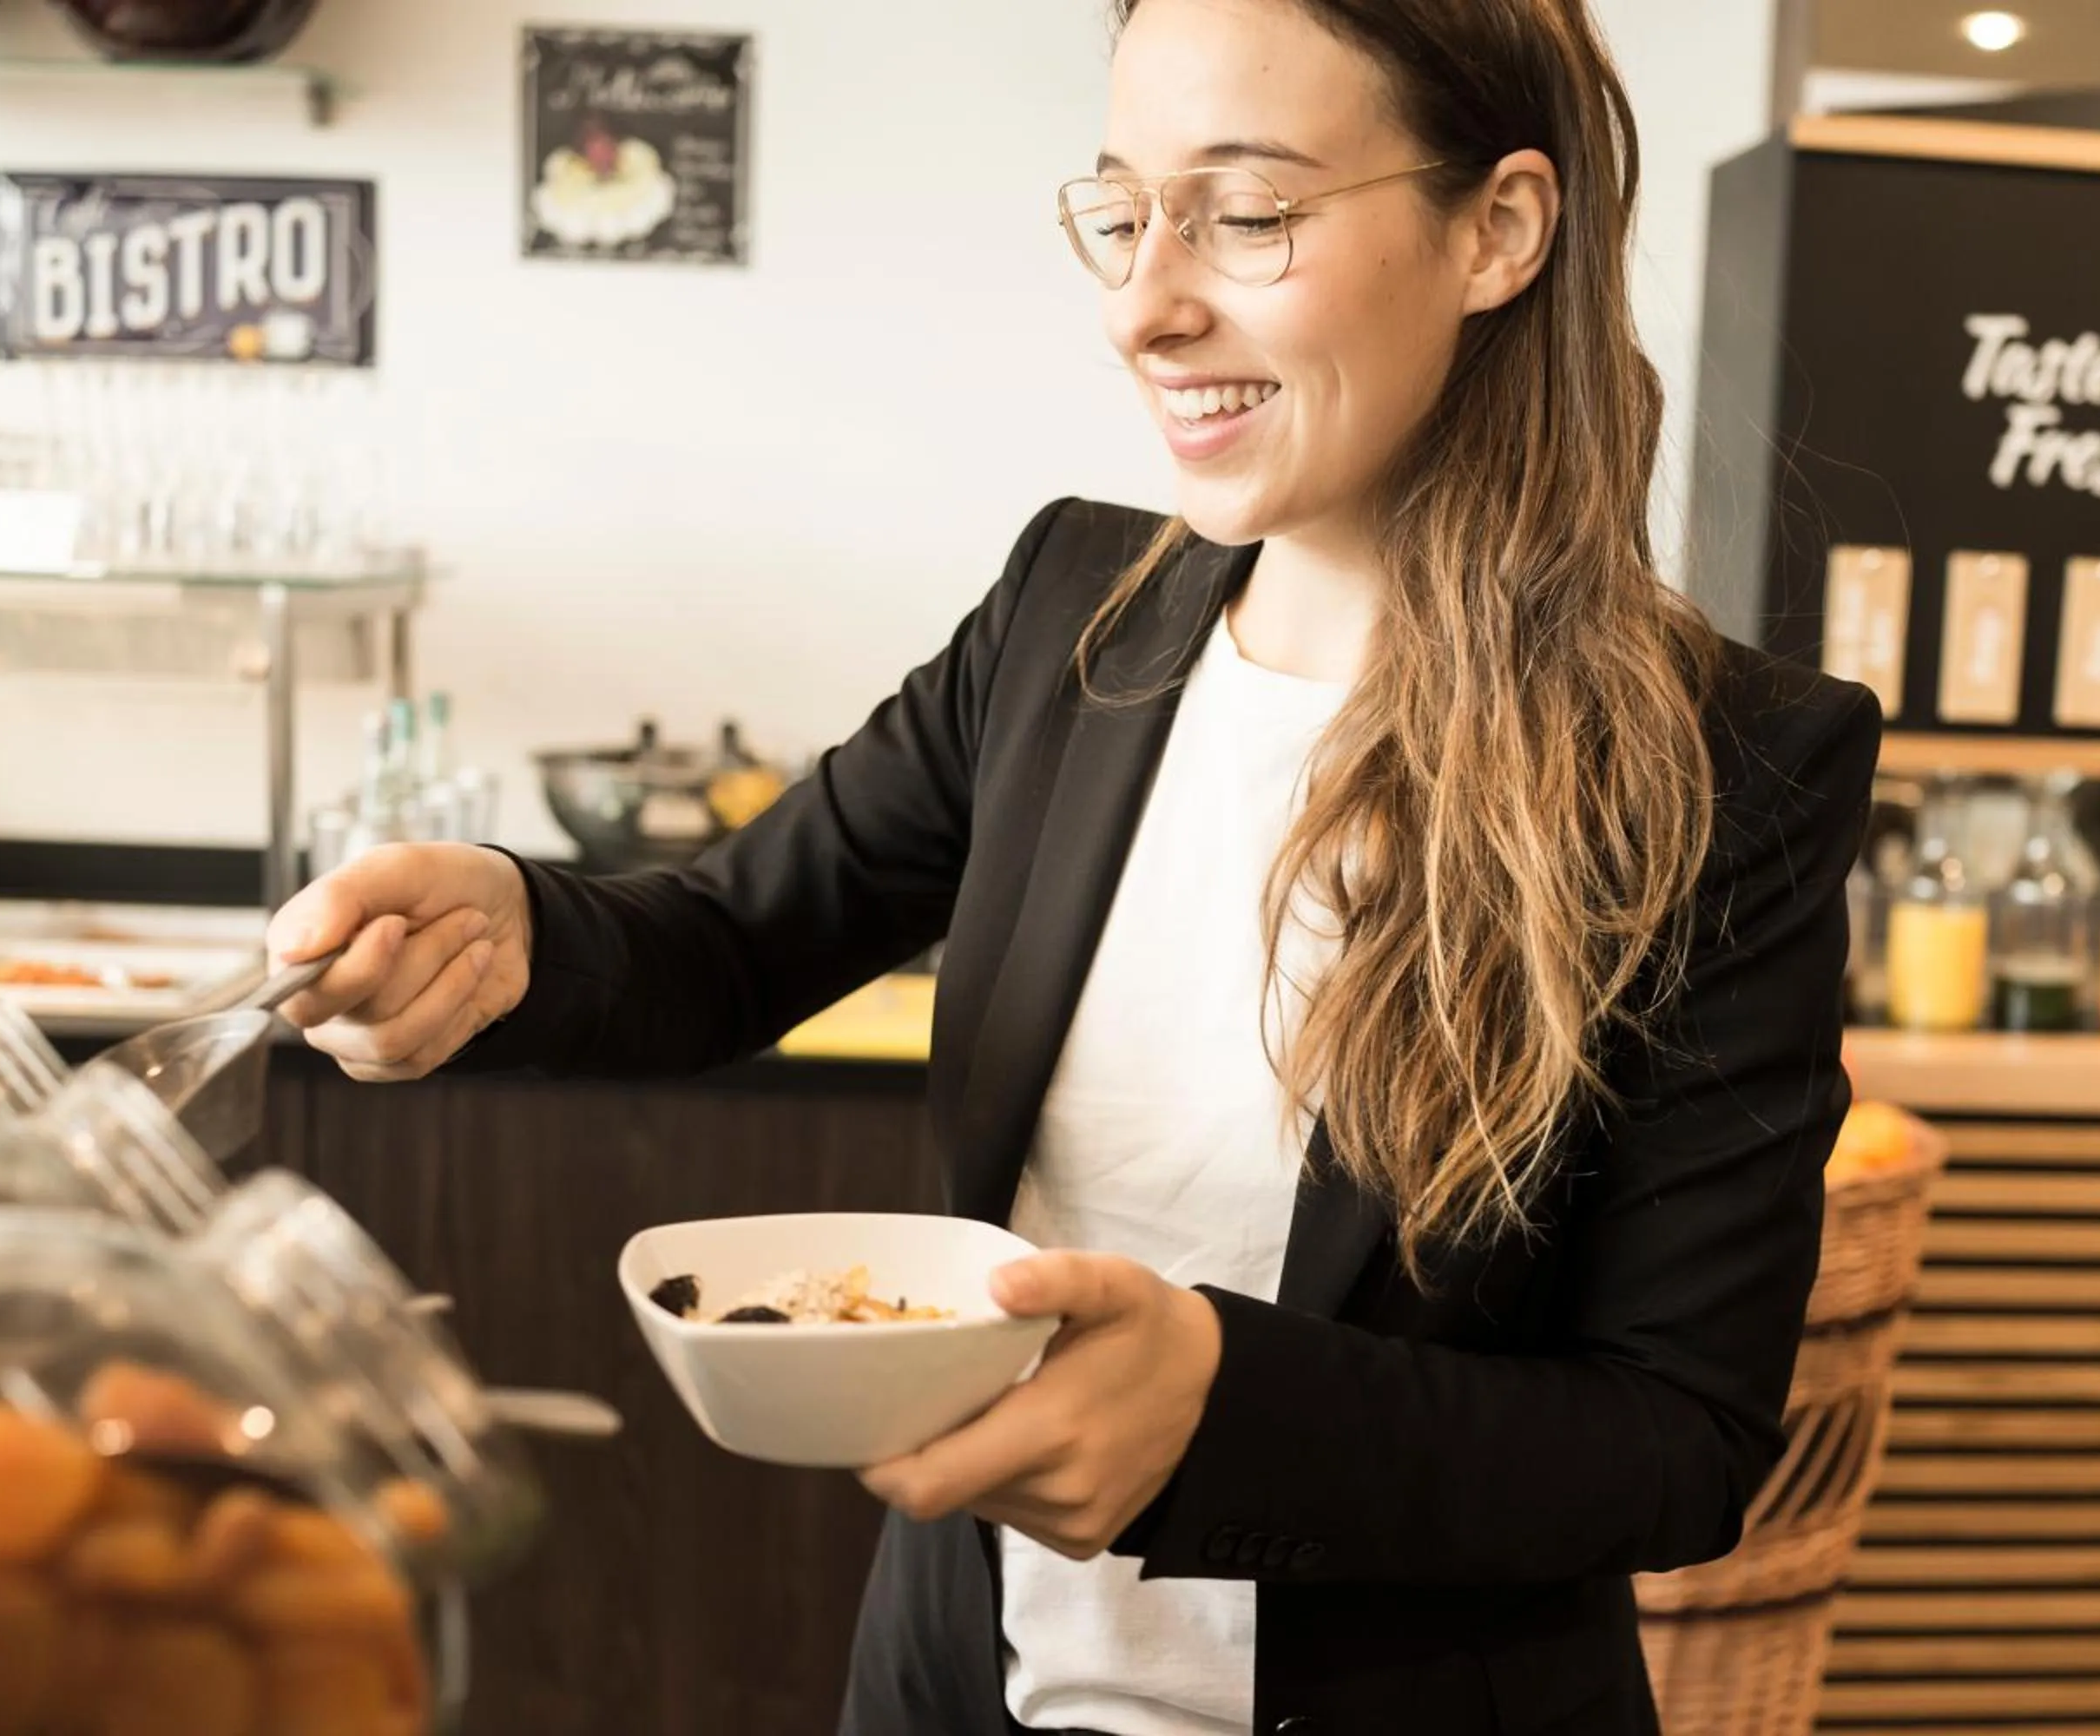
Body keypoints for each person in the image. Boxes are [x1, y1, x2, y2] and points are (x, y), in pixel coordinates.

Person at [267, 0, 1881, 1730]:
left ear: (1496, 230)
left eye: (1247, 216)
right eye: (1122, 212)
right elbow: (731, 937)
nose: (1145, 305)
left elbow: (1673, 1441)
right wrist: (515, 927)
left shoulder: (1727, 764)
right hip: (963, 1687)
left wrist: (1221, 1404)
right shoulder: (1071, 613)